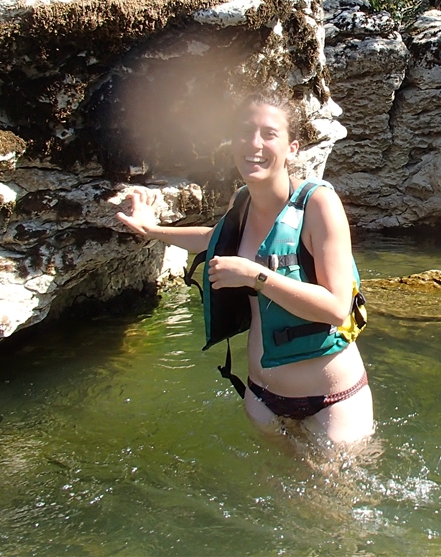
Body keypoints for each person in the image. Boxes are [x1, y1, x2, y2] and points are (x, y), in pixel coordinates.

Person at [117, 92, 374, 444]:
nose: (254, 143)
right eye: (245, 132)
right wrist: (152, 229)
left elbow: (336, 307)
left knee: (330, 484)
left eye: (269, 134)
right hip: (262, 399)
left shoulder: (319, 204)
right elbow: (213, 238)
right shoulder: (241, 201)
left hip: (332, 402)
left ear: (292, 148)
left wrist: (256, 276)